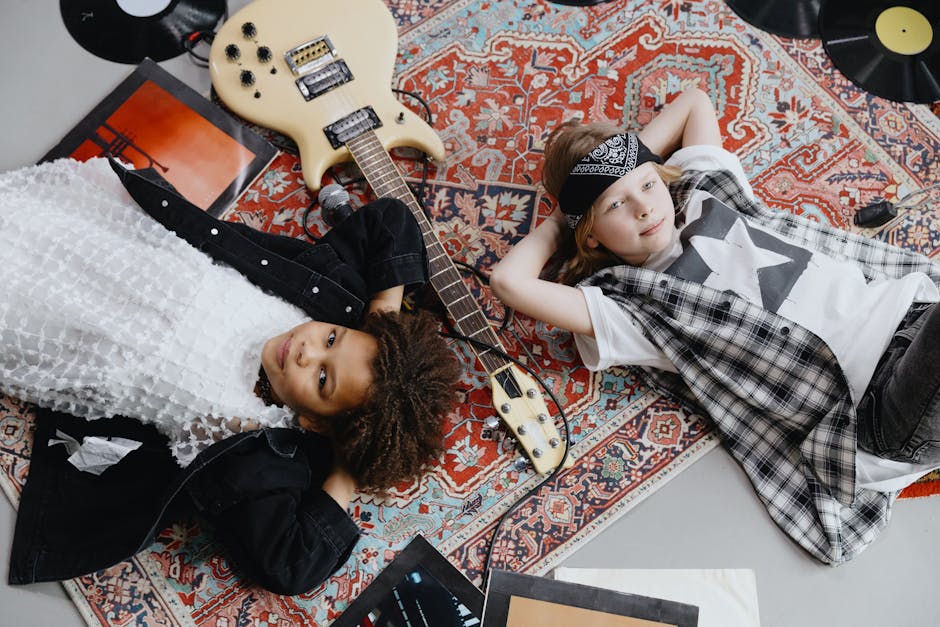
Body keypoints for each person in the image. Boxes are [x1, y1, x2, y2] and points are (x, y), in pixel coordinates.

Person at [490, 87, 940, 564]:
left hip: (911, 310)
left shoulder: (708, 190)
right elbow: (509, 282)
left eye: (645, 185)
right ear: (589, 234)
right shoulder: (631, 308)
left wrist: (614, 177)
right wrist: (565, 219)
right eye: (615, 207)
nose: (644, 207)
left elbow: (694, 101)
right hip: (875, 407)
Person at [3, 156, 460, 594]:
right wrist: (384, 318)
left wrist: (346, 468)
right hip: (130, 252)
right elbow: (392, 221)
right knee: (31, 220)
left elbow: (289, 564)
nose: (306, 351)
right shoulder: (328, 307)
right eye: (333, 340)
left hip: (83, 333)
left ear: (317, 423)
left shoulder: (259, 441)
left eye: (323, 380)